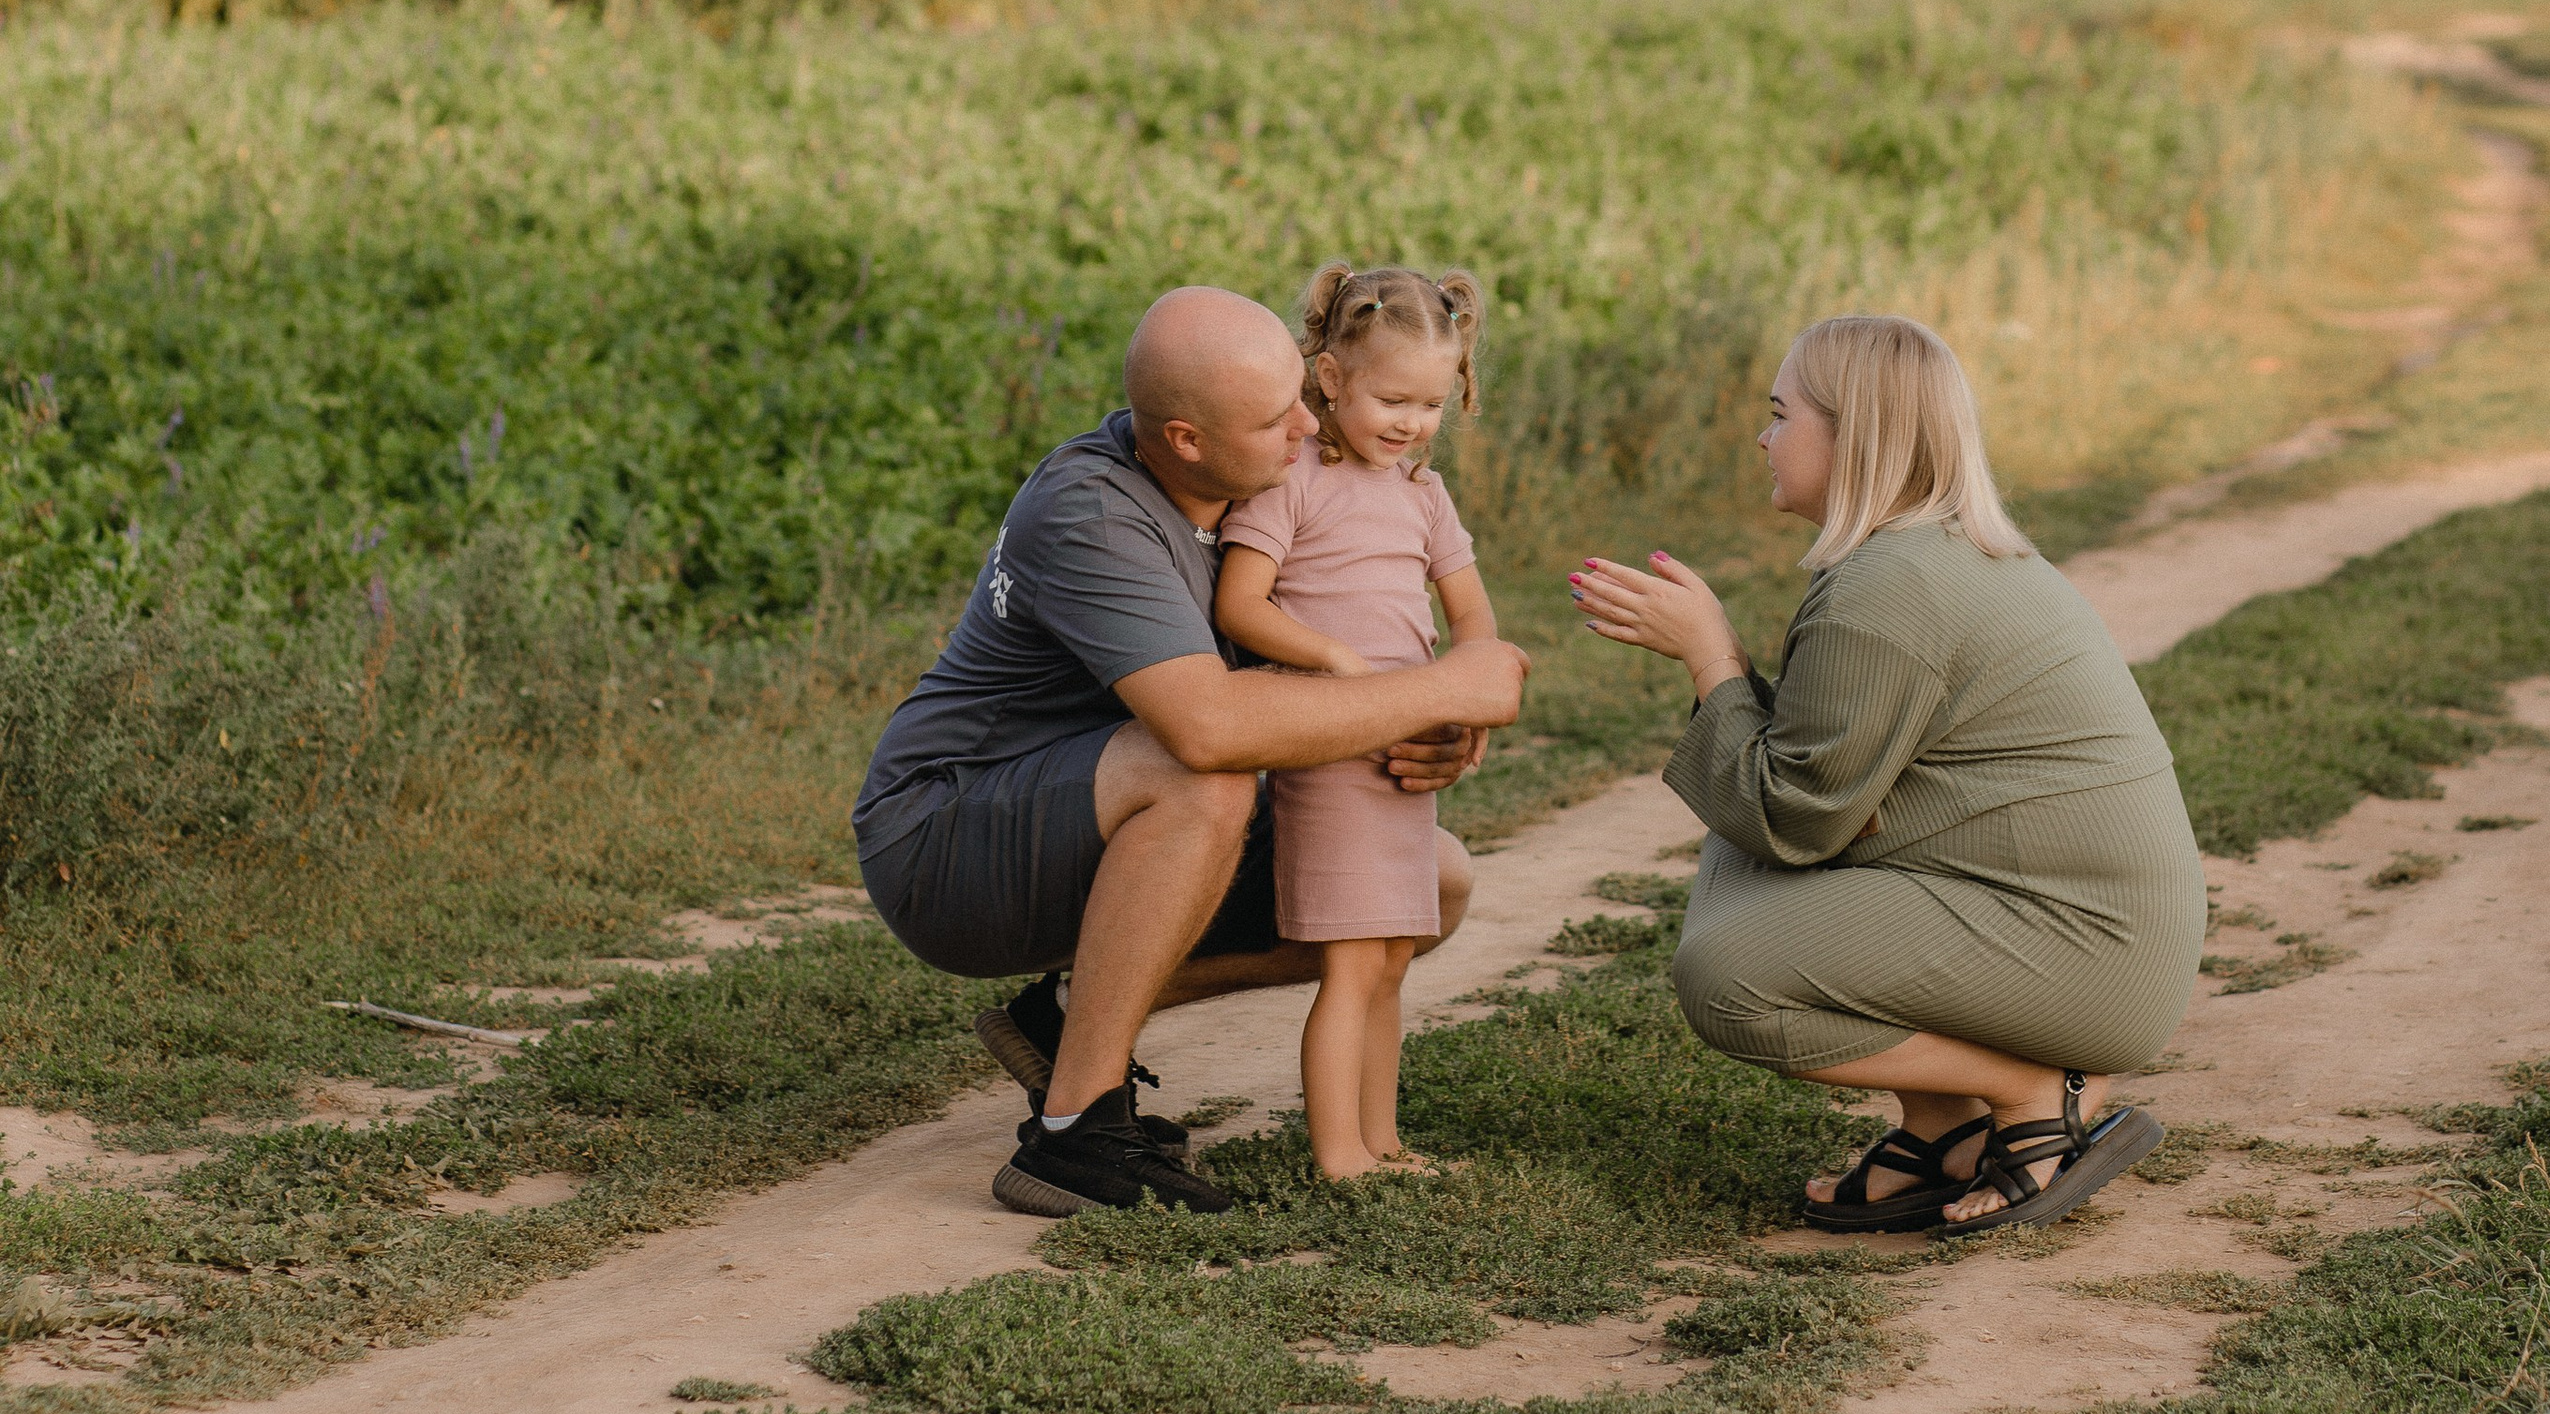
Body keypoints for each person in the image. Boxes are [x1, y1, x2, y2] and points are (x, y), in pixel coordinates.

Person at [852, 285, 1529, 1219]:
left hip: (1090, 807)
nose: (1305, 426)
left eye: (1302, 395)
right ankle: (1073, 1138)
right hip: (946, 837)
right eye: (1271, 418)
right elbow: (1209, 727)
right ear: (1183, 439)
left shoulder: (1258, 491)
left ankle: (1063, 1024)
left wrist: (1419, 732)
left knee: (1433, 885)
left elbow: (1330, 666)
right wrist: (1446, 687)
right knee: (1201, 776)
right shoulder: (1092, 511)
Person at [1568, 311, 2205, 1237]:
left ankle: (2030, 1090)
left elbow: (1793, 817)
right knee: (1743, 849)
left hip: (2093, 953)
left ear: (1852, 433)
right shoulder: (1915, 555)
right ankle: (1941, 1126)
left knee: (1729, 974)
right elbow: (1809, 785)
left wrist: (1711, 659)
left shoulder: (1888, 588)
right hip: (2076, 925)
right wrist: (1730, 681)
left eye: (1782, 414)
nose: (1763, 437)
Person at [1215, 262, 1501, 1181]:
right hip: (1330, 752)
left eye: (1431, 402)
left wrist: (1468, 687)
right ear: (1330, 379)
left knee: (1389, 963)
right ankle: (1340, 1155)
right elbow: (1241, 604)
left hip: (1403, 756)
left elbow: (1475, 616)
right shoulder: (1292, 478)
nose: (1411, 421)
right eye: (1391, 397)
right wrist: (1336, 663)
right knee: (1347, 966)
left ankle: (1383, 1143)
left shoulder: (1423, 491)